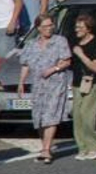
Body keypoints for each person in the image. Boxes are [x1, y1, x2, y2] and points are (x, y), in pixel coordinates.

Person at [17, 12, 72, 164]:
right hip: (37, 84)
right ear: (38, 28)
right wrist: (21, 82)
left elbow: (66, 61)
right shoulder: (31, 44)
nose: (49, 28)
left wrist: (53, 69)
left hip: (55, 83)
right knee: (40, 117)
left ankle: (46, 150)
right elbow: (25, 64)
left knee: (51, 114)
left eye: (51, 25)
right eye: (45, 26)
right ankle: (44, 146)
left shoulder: (60, 41)